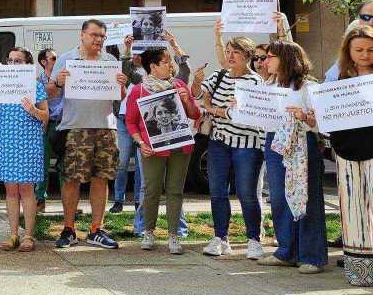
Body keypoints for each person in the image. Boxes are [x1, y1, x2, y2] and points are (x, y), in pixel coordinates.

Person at [51, 19, 129, 249]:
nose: (98, 40)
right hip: (76, 127)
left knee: (101, 177)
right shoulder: (67, 59)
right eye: (94, 35)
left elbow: (120, 98)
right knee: (72, 178)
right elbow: (50, 92)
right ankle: (69, 229)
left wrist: (122, 86)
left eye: (102, 36)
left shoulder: (110, 60)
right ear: (82, 35)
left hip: (106, 126)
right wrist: (58, 81)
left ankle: (96, 229)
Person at [254, 41, 327, 274]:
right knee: (279, 197)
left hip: (302, 142)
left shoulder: (308, 87)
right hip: (275, 141)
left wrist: (304, 116)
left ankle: (311, 256)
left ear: (285, 59)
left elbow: (321, 124)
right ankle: (287, 250)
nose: (265, 61)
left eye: (270, 56)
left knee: (306, 198)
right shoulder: (270, 83)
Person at [124, 47, 200, 254]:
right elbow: (130, 122)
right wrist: (140, 143)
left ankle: (174, 235)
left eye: (170, 61)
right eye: (165, 62)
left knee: (175, 190)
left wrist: (185, 99)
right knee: (151, 191)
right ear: (153, 67)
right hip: (152, 149)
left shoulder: (179, 85)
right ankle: (148, 231)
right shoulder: (139, 90)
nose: (171, 65)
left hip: (180, 146)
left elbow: (195, 114)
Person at [196, 32, 266, 259]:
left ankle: (254, 240)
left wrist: (226, 110)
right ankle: (220, 237)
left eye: (236, 52)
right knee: (217, 192)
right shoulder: (218, 75)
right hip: (219, 142)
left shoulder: (256, 81)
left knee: (246, 193)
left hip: (248, 143)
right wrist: (198, 82)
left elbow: (251, 114)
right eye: (228, 51)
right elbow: (200, 96)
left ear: (247, 55)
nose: (230, 56)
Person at [0, 47, 49, 252]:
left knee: (26, 189)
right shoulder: (0, 84)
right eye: (10, 60)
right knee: (11, 189)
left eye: (18, 61)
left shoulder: (35, 85)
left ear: (27, 64)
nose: (13, 64)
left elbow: (46, 115)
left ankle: (28, 236)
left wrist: (33, 110)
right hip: (6, 141)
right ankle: (13, 234)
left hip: (28, 142)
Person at [328, 25, 373, 286]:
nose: (365, 55)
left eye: (370, 50)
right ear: (348, 51)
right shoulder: (339, 82)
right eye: (359, 50)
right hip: (346, 151)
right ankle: (359, 272)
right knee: (352, 210)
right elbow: (328, 118)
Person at [324, 0, 373, 81]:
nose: (371, 22)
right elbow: (328, 86)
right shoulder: (341, 68)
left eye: (371, 50)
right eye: (366, 17)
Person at [37, 48, 61, 212]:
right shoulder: (38, 81)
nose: (56, 60)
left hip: (63, 123)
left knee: (65, 164)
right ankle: (40, 199)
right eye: (53, 58)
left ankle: (67, 201)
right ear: (43, 62)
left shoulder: (64, 77)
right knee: (42, 164)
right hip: (46, 124)